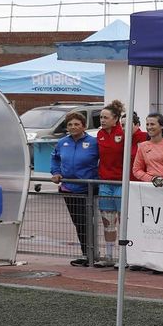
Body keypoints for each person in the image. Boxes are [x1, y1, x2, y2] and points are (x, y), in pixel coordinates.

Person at [93, 100, 142, 267]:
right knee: (108, 220)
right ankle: (108, 255)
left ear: (115, 119)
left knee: (123, 221)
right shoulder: (99, 134)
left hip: (121, 183)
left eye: (106, 117)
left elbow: (140, 138)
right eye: (101, 117)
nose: (102, 120)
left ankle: (125, 256)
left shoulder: (124, 132)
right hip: (105, 183)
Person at [50, 110, 99, 267]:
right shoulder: (62, 142)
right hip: (68, 189)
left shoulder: (93, 142)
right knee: (78, 222)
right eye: (70, 124)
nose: (73, 127)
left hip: (88, 189)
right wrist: (56, 172)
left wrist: (97, 178)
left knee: (87, 222)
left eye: (77, 124)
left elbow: (104, 160)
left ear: (84, 126)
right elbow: (55, 158)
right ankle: (86, 254)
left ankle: (93, 254)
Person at [132, 113, 163, 184]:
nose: (149, 127)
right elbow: (136, 170)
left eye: (152, 124)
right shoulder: (142, 146)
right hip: (151, 188)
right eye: (147, 124)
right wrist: (152, 179)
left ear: (162, 126)